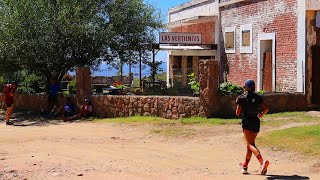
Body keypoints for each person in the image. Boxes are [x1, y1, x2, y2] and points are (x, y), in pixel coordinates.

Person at [235, 79, 270, 175]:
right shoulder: (258, 97)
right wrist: (261, 114)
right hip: (256, 122)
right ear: (254, 87)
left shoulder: (242, 97)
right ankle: (245, 166)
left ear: (245, 88)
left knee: (250, 145)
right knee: (250, 145)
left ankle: (262, 162)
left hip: (247, 122)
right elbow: (266, 108)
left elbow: (237, 113)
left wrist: (239, 103)